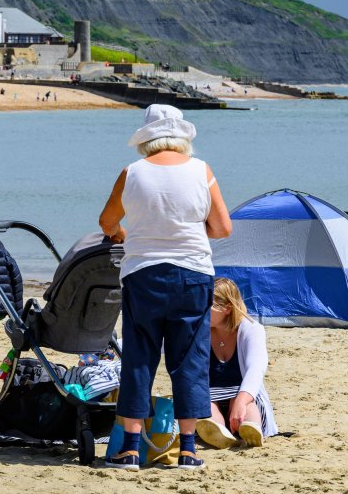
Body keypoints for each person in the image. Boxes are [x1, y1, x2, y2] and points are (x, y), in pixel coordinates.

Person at [99, 104, 232, 471]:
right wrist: (186, 231)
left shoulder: (132, 172)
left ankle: (128, 449)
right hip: (192, 274)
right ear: (182, 136)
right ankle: (188, 448)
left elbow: (108, 221)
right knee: (190, 359)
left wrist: (127, 234)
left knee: (139, 358)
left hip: (144, 274)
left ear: (147, 139)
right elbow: (222, 228)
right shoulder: (201, 170)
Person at [195, 278, 278, 450]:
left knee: (242, 401)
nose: (200, 311)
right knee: (207, 403)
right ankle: (220, 433)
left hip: (241, 394)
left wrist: (241, 401)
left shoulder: (251, 329)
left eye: (206, 306)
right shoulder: (198, 330)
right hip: (210, 395)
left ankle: (250, 428)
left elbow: (256, 367)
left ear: (226, 308)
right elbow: (161, 343)